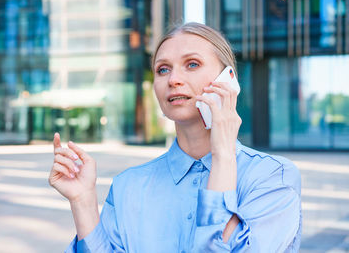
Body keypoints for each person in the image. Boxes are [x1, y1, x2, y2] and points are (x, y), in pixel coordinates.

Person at [49, 22, 301, 253]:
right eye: (163, 69)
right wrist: (82, 202)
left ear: (228, 80)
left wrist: (223, 155)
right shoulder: (128, 185)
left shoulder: (272, 177)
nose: (174, 80)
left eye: (192, 64)